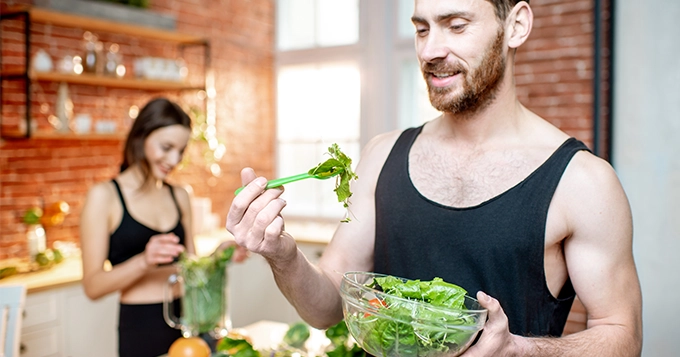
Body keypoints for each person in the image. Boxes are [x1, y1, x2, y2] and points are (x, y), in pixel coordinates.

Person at [227, 0, 643, 356]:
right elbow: (325, 308)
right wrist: (283, 255)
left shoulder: (582, 181)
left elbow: (622, 336)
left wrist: (520, 349)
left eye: (456, 25)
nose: (429, 50)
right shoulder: (381, 156)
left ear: (516, 25)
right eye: (421, 29)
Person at [80, 97, 246, 357]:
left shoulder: (180, 195)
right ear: (141, 137)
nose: (174, 159)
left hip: (191, 320)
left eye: (180, 150)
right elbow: (92, 286)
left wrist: (218, 256)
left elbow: (190, 266)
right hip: (142, 326)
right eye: (166, 147)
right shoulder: (104, 196)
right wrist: (144, 261)